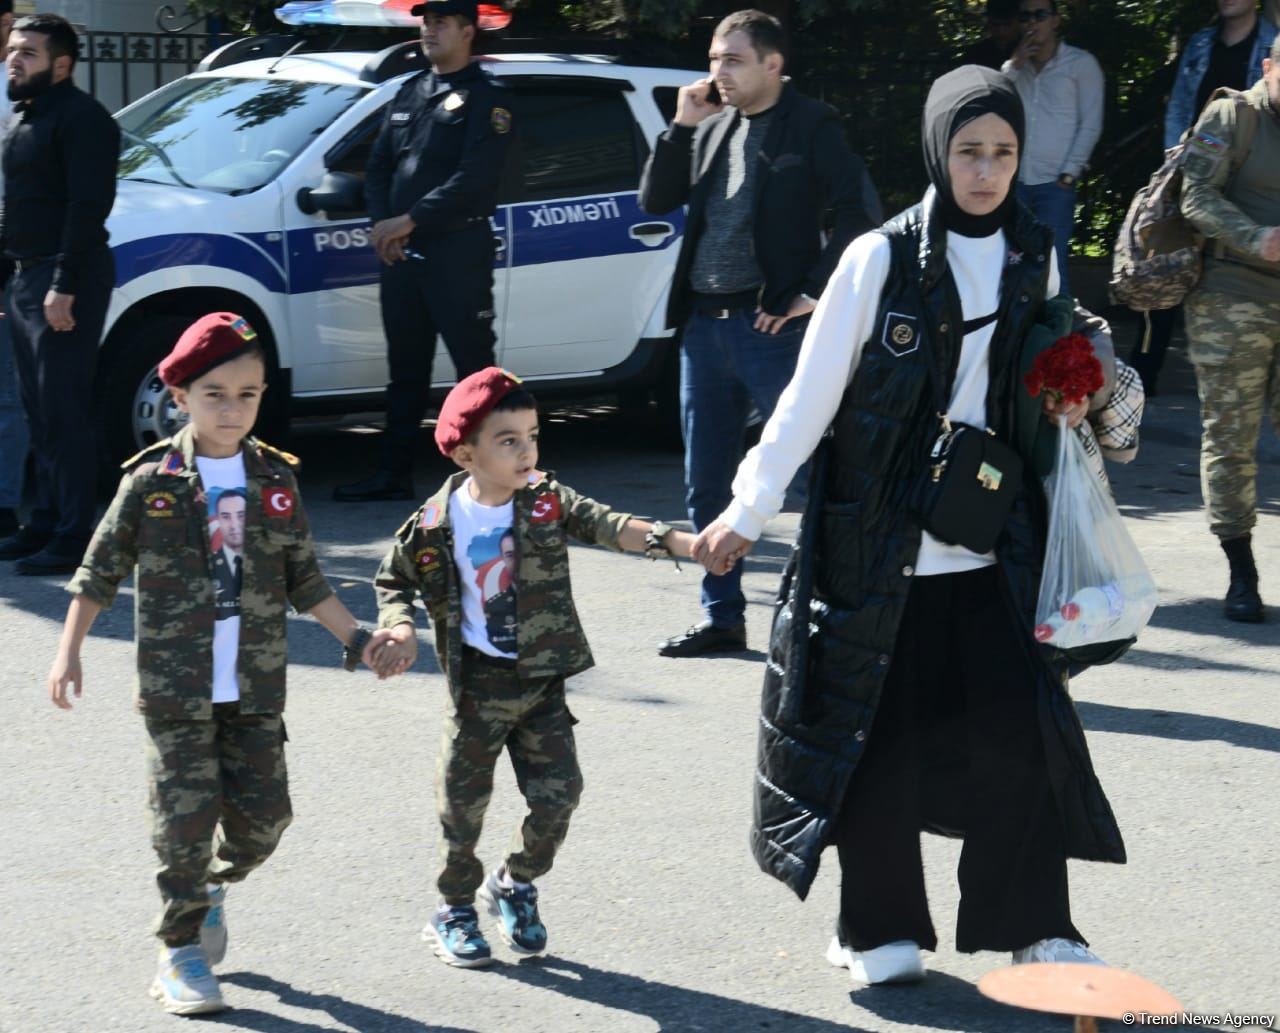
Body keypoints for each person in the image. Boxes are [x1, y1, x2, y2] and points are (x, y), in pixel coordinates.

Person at [694, 66, 1125, 986]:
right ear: (937, 152)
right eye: (969, 151)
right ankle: (876, 929)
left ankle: (1036, 925)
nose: (986, 171)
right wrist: (747, 508)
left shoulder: (1035, 251)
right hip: (877, 540)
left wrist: (1065, 394)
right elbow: (808, 400)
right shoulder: (876, 258)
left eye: (1003, 152)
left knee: (1020, 731)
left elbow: (1043, 370)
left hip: (993, 536)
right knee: (875, 739)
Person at [46, 313, 395, 1015]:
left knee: (265, 822)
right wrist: (68, 652)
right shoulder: (152, 481)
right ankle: (178, 951)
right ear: (179, 396)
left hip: (254, 688)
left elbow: (307, 581)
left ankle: (210, 889)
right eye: (214, 394)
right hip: (175, 690)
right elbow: (98, 571)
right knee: (182, 824)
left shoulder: (275, 479)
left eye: (247, 394)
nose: (231, 409)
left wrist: (360, 639)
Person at [371, 367, 695, 968]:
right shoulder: (436, 523)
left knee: (560, 797)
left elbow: (608, 524)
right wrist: (401, 625)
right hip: (477, 688)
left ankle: (514, 882)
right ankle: (453, 909)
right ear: (466, 454)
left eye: (533, 436)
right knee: (461, 808)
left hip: (541, 682)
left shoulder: (546, 499)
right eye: (509, 440)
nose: (527, 452)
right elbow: (394, 579)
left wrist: (681, 543)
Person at [639, 8, 880, 658]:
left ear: (774, 65)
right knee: (706, 482)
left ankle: (831, 614)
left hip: (770, 328)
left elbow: (860, 213)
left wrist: (812, 294)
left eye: (734, 60)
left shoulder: (812, 124)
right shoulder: (712, 124)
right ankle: (722, 617)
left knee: (806, 475)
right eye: (715, 59)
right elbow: (655, 200)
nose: (719, 71)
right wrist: (681, 128)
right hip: (703, 327)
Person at [334, 0, 514, 503]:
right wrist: (383, 228)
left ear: (467, 31)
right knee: (405, 371)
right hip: (403, 255)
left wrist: (408, 220)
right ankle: (393, 473)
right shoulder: (410, 90)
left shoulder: (489, 99)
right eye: (426, 22)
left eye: (441, 23)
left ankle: (494, 479)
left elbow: (474, 178)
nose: (429, 31)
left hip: (457, 252)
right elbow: (379, 166)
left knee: (474, 372)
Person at [0, 15, 119, 574]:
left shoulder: (83, 120)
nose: (14, 60)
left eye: (28, 52)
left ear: (62, 64)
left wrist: (63, 286)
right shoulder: (26, 118)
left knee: (65, 411)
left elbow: (86, 208)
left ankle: (75, 536)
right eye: (12, 49)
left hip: (64, 279)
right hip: (26, 278)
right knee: (39, 411)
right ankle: (43, 523)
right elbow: (18, 206)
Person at [1179, 40, 1280, 622]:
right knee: (1231, 439)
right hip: (1232, 294)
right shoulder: (1232, 115)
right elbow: (1194, 196)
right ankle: (1241, 572)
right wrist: (1254, 236)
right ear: (1268, 68)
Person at [1129, 0, 1278, 396]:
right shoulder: (1200, 43)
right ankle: (1142, 379)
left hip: (1244, 181)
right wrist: (1178, 164)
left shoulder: (1272, 44)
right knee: (1166, 270)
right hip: (1197, 171)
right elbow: (1179, 106)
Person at [1002, 0, 1104, 297]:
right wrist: (1014, 66)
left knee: (1052, 270)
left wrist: (1069, 175)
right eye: (1025, 17)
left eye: (1040, 15)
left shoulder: (1080, 64)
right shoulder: (1015, 68)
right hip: (1016, 182)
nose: (1032, 23)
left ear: (1055, 21)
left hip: (1055, 185)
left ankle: (1060, 327)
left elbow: (1091, 123)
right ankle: (1016, 327)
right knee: (1011, 267)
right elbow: (994, 102)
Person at [959, 0, 1022, 70]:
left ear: (1018, 22)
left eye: (1007, 25)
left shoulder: (1027, 49)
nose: (1001, 31)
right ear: (988, 23)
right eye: (995, 25)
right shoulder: (975, 54)